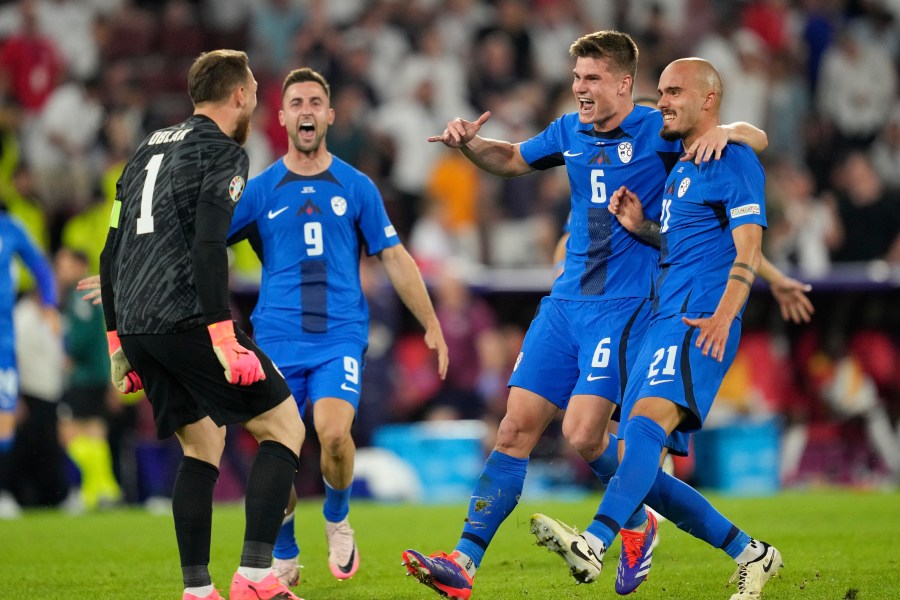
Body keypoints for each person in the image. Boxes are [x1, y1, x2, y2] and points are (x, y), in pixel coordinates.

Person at [401, 31, 807, 600]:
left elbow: (745, 150)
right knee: (514, 426)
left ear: (623, 83)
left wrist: (731, 129)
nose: (579, 89)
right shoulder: (569, 130)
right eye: (575, 79)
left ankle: (649, 526)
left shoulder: (658, 130)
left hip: (627, 310)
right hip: (565, 304)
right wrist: (470, 144)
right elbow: (514, 159)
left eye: (591, 79)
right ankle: (464, 562)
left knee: (587, 438)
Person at [531, 58, 783, 600]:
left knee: (643, 431)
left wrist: (724, 313)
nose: (661, 101)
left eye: (673, 92)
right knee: (637, 454)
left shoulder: (730, 157)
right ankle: (751, 553)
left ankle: (596, 540)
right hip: (663, 318)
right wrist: (639, 227)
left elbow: (749, 247)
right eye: (661, 91)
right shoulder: (684, 169)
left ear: (708, 100)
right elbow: (684, 246)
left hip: (698, 320)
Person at [225, 67, 448, 587]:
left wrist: (431, 322)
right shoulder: (260, 191)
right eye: (296, 102)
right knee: (278, 449)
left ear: (329, 115)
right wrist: (131, 272)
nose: (306, 110)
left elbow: (393, 255)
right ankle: (284, 549)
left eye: (315, 102)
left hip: (338, 337)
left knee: (332, 434)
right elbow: (205, 242)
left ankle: (337, 515)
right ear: (281, 118)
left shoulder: (357, 186)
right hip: (277, 337)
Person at [98, 49, 305, 600]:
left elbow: (110, 246)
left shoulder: (144, 149)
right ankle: (258, 576)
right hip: (188, 317)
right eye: (256, 91)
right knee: (285, 429)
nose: (257, 101)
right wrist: (223, 336)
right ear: (237, 94)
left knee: (201, 447)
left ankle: (197, 590)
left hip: (140, 325)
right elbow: (210, 244)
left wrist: (117, 340)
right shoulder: (223, 153)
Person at [0, 203, 58, 519]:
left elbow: (40, 266)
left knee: (6, 424)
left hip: (3, 341)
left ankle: (4, 490)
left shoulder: (9, 227)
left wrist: (49, 304)